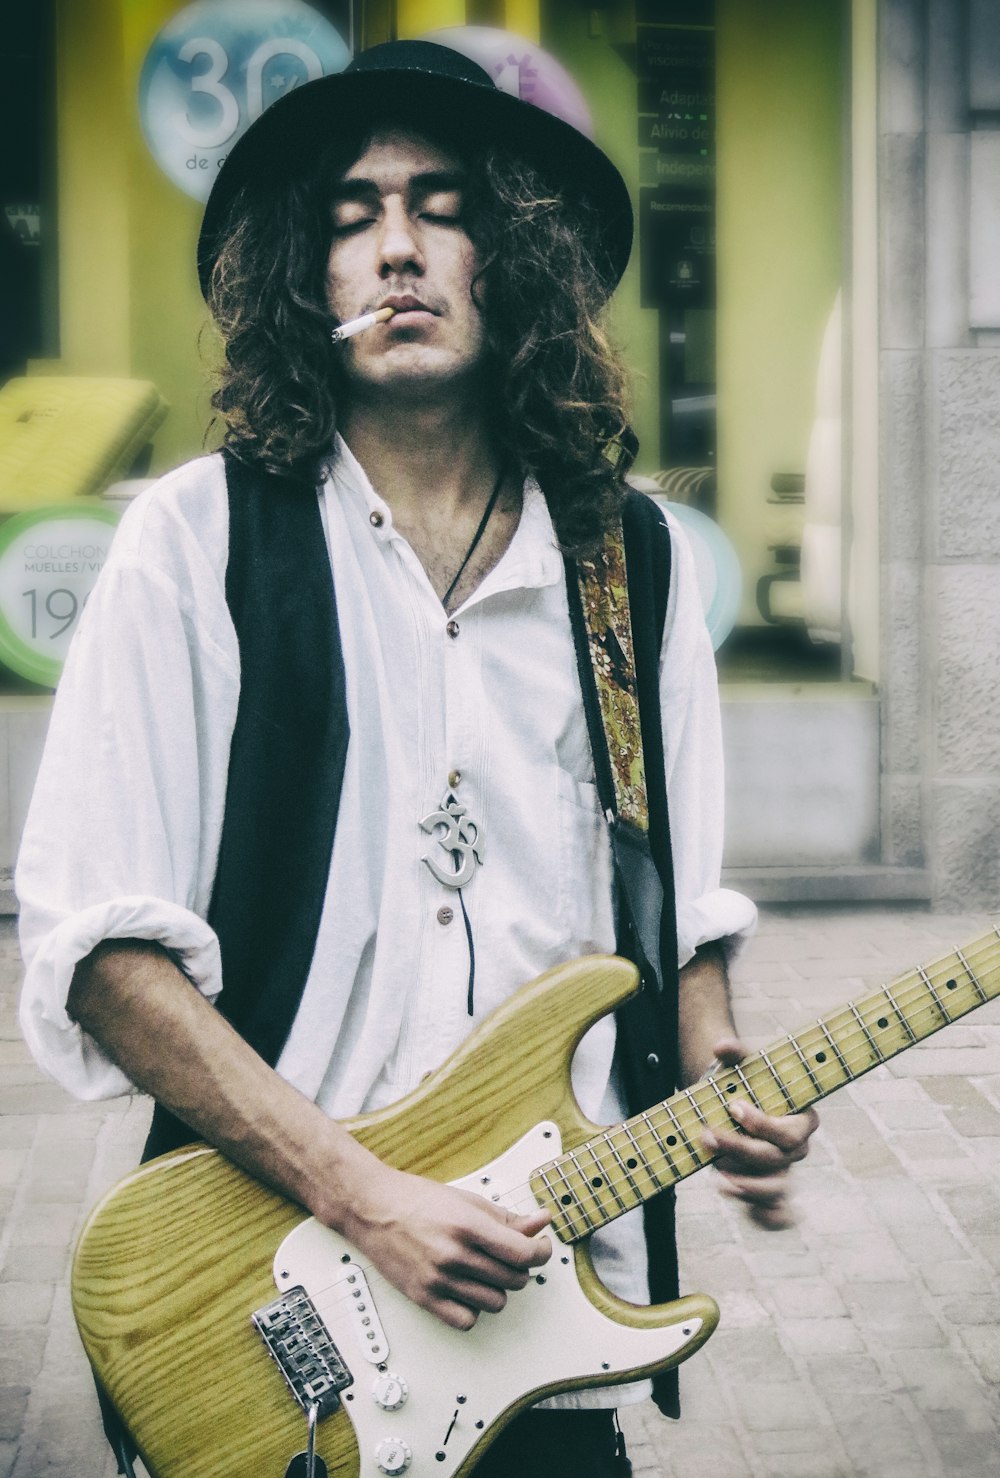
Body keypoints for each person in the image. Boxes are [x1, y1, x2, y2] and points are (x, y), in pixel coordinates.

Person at [16, 40, 817, 1478]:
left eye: (440, 206)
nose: (393, 248)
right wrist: (367, 1195)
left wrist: (720, 1067)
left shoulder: (627, 561)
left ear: (516, 250)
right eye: (347, 217)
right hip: (268, 1310)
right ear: (301, 277)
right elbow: (100, 956)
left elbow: (677, 911)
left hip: (547, 1324)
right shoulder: (196, 544)